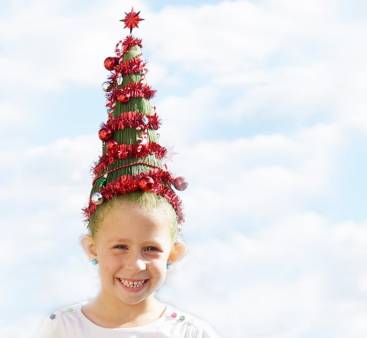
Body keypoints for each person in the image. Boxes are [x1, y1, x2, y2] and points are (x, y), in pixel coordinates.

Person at [35, 8, 220, 338]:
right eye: (119, 246)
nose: (135, 265)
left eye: (151, 249)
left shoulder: (192, 333)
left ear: (175, 252)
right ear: (92, 247)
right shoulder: (63, 328)